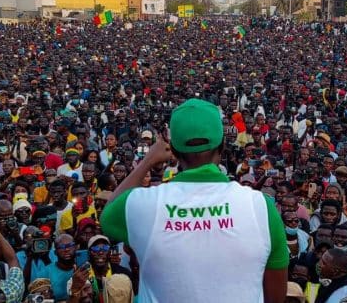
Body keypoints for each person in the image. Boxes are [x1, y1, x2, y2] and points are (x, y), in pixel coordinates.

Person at [101, 98, 288, 302]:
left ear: (173, 150)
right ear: (223, 145)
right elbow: (276, 296)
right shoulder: (261, 208)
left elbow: (108, 215)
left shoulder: (144, 205)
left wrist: (148, 160)